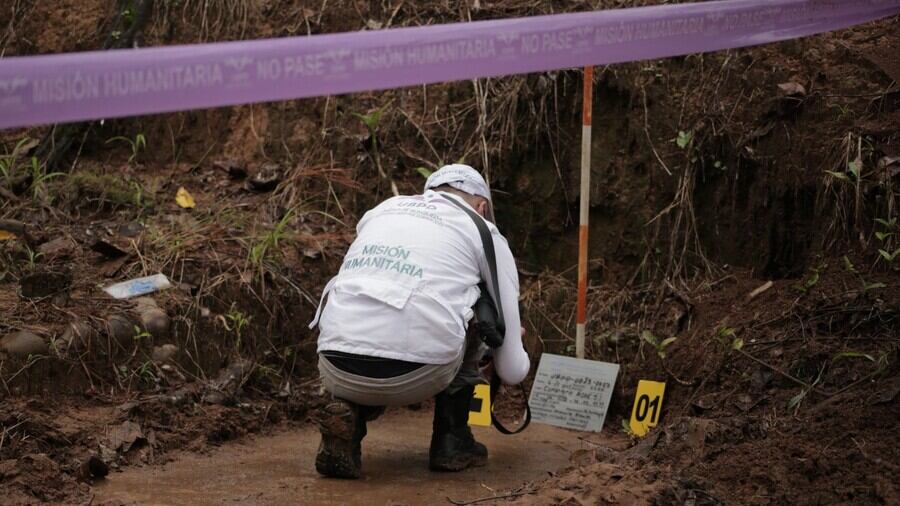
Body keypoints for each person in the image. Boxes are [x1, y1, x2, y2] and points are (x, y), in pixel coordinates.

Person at [308, 163, 530, 479]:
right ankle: (452, 442)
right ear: (482, 206)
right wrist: (504, 344)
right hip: (418, 373)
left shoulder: (383, 211)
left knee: (361, 313)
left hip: (335, 367)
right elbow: (512, 370)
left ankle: (349, 415)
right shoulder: (483, 231)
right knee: (479, 312)